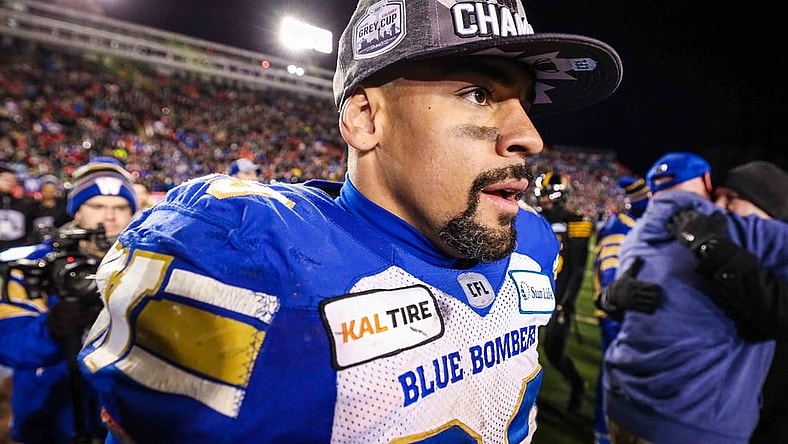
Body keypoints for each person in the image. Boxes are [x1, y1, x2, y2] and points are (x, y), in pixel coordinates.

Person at [76, 0, 623, 442]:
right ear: (365, 119)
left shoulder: (528, 239)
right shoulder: (246, 257)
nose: (531, 137)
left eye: (526, 104)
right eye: (478, 94)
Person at [602, 152, 788, 444]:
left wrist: (719, 252)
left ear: (771, 214)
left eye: (732, 200)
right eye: (718, 197)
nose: (718, 208)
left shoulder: (754, 241)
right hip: (654, 410)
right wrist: (612, 300)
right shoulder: (686, 233)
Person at [0, 157, 138, 444]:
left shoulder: (145, 264)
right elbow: (10, 344)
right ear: (77, 210)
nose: (109, 216)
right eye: (97, 206)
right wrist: (52, 329)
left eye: (120, 207)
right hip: (50, 418)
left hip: (123, 420)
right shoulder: (36, 264)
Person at [590, 175, 651, 444]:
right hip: (616, 317)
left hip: (627, 315)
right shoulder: (620, 229)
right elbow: (611, 282)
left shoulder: (634, 226)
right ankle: (604, 433)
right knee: (615, 378)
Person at [533, 171, 594, 411]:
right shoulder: (533, 218)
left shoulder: (576, 222)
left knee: (553, 352)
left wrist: (564, 304)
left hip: (558, 296)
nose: (542, 198)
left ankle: (577, 385)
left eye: (547, 193)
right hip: (533, 294)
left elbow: (577, 268)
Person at [0, 163, 36, 253]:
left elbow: (28, 229)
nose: (9, 182)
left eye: (12, 180)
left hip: (14, 251)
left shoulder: (24, 204)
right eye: (5, 179)